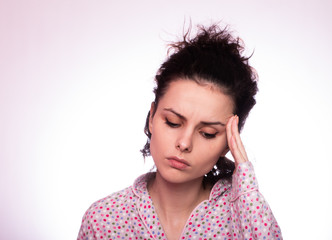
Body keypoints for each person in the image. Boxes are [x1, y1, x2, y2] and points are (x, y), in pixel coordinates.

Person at [77, 24, 282, 240]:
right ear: (152, 117)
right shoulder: (103, 220)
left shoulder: (244, 214)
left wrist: (247, 193)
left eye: (208, 133)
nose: (184, 143)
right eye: (173, 122)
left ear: (229, 143)